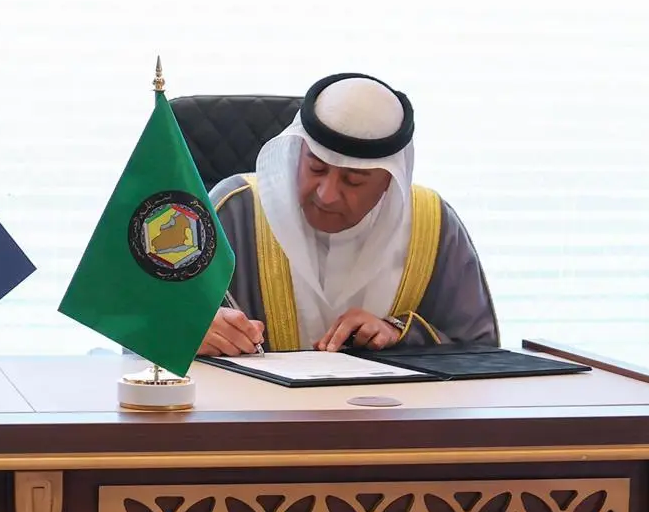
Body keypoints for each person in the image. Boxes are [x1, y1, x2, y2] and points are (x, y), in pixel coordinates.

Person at [201, 72, 497, 355]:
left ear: (389, 181)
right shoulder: (234, 210)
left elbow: (481, 351)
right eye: (316, 168)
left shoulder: (432, 224)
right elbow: (173, 319)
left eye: (353, 181)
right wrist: (194, 330)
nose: (326, 195)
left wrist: (399, 333)